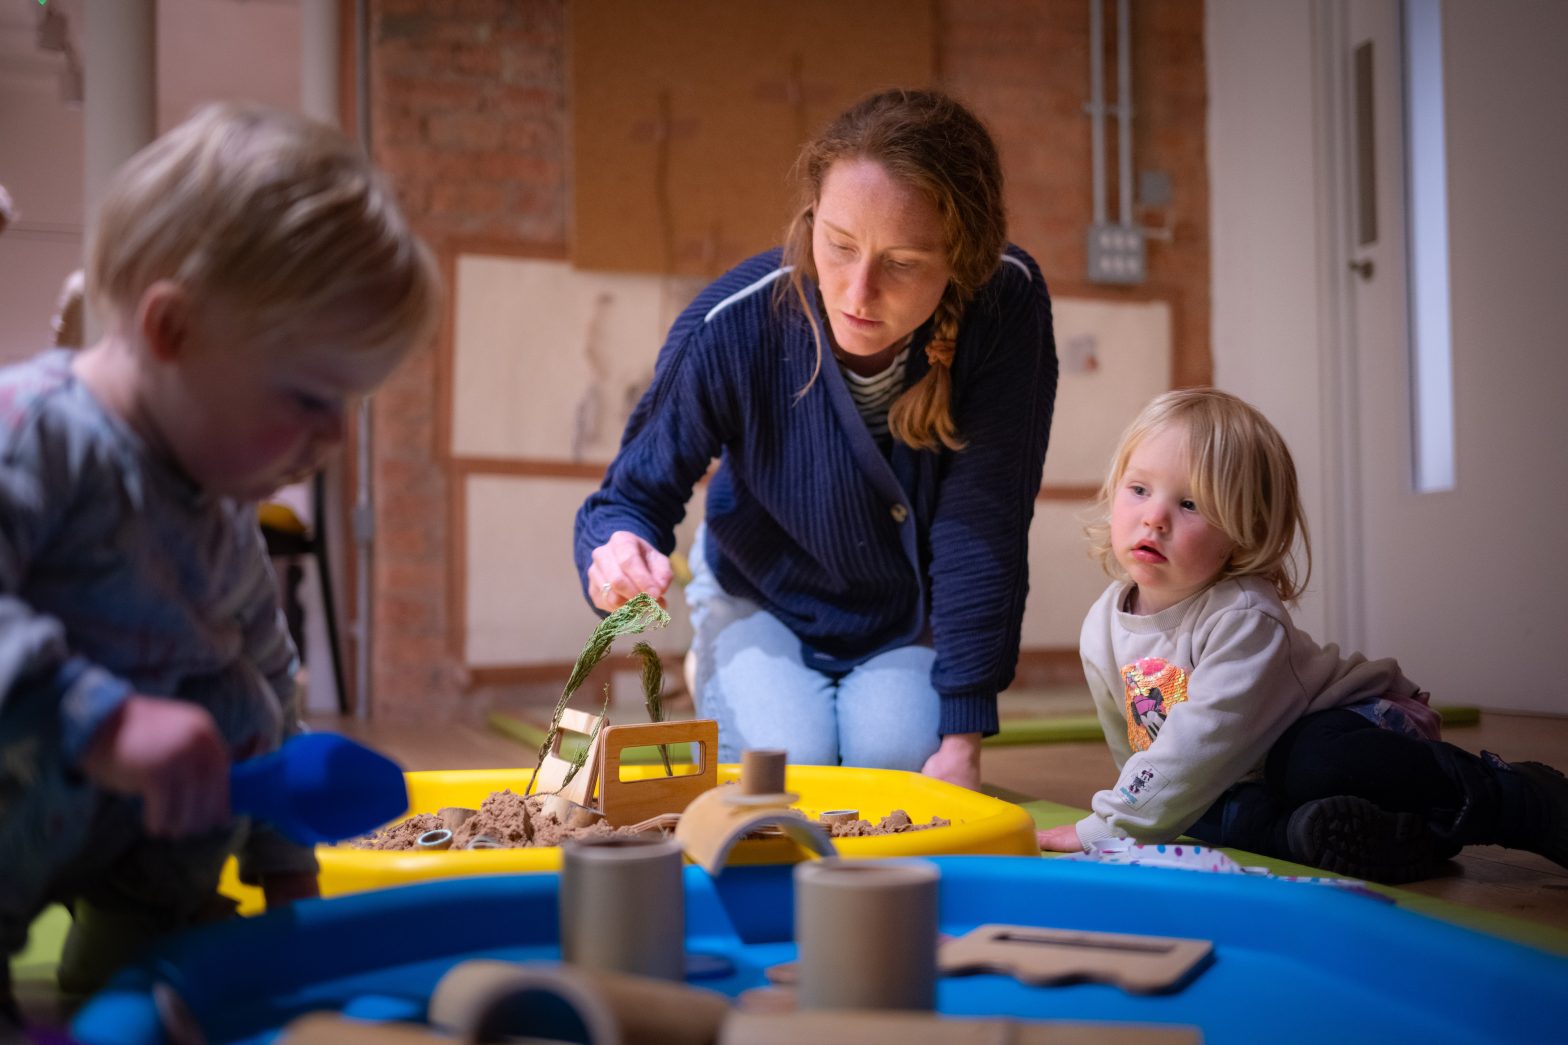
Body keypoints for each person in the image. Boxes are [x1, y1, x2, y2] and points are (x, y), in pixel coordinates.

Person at [0, 102, 440, 1021]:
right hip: (26, 784)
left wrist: (286, 864)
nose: (331, 436)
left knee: (238, 695)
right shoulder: (37, 437)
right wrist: (107, 722)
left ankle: (144, 929)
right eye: (311, 396)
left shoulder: (220, 508)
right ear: (172, 330)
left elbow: (273, 681)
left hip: (126, 830)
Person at [574, 89, 1057, 789]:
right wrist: (617, 549)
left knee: (893, 764)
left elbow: (984, 524)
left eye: (903, 262)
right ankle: (711, 651)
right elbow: (626, 499)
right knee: (787, 768)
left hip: (904, 610)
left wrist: (963, 732)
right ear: (810, 219)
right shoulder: (732, 324)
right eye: (838, 246)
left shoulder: (1005, 302)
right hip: (760, 593)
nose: (857, 292)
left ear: (963, 258)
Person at [1037, 389, 1568, 883]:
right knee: (1202, 813)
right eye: (1139, 490)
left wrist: (1113, 826)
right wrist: (1134, 811)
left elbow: (1199, 740)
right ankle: (1387, 838)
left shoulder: (1243, 616)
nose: (1154, 518)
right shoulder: (1102, 624)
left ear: (1245, 531)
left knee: (1310, 763)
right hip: (1254, 767)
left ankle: (1511, 795)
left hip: (1361, 727)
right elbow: (1139, 749)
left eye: (1191, 505)